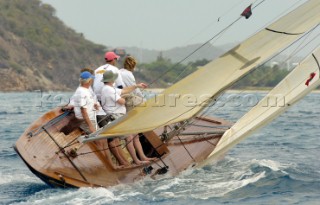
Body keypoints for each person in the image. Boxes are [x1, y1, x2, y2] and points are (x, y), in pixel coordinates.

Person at [100, 70, 155, 165]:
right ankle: (137, 160)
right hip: (115, 117)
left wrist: (137, 86)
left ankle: (142, 157)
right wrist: (127, 98)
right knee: (129, 137)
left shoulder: (110, 88)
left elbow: (124, 90)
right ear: (111, 80)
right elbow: (121, 101)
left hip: (120, 116)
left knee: (135, 135)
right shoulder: (108, 89)